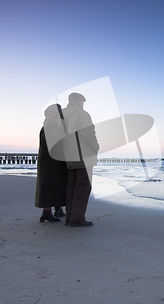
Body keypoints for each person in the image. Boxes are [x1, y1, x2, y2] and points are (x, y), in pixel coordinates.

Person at [62, 92, 99, 227]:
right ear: (79, 102)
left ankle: (70, 217)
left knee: (71, 185)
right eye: (82, 102)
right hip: (83, 154)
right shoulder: (81, 114)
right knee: (83, 185)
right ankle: (77, 219)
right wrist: (96, 148)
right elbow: (88, 134)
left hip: (69, 155)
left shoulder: (62, 114)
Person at [35, 104, 68, 222]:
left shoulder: (52, 123)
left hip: (54, 161)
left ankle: (57, 209)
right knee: (49, 186)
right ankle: (46, 212)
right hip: (49, 162)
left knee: (57, 185)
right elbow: (49, 140)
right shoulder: (49, 124)